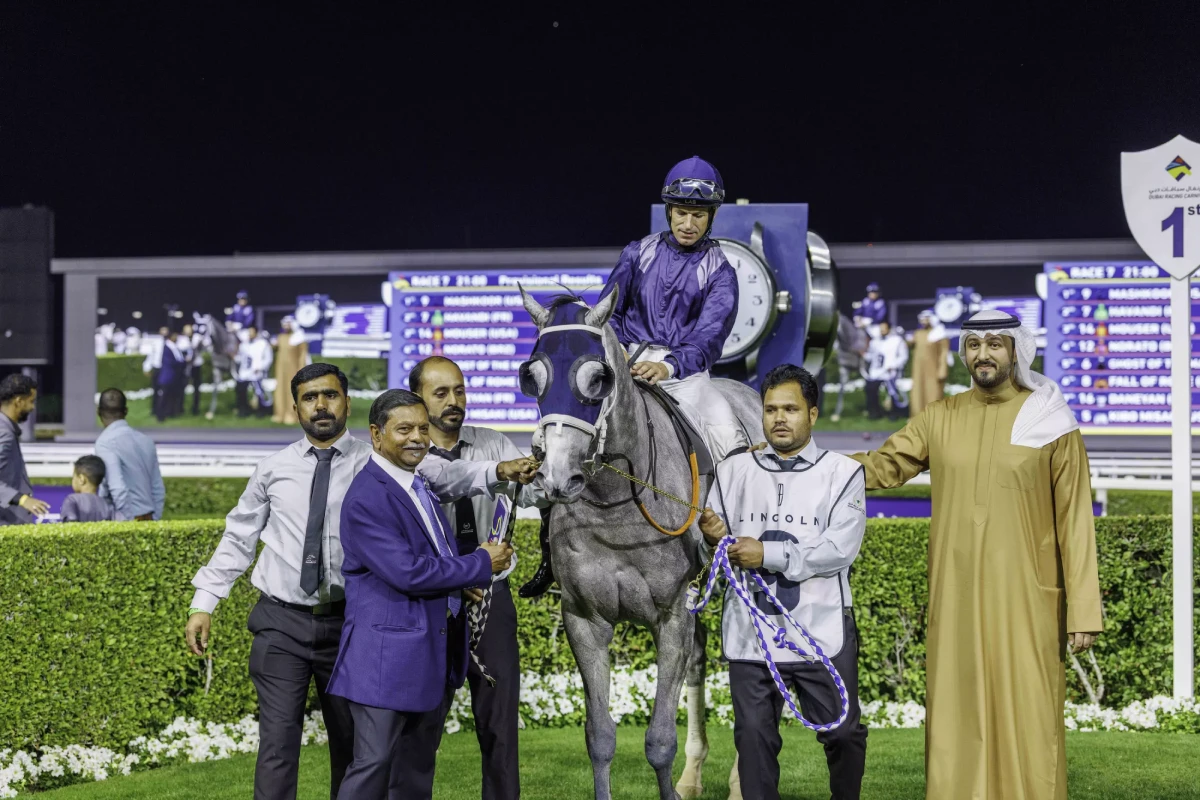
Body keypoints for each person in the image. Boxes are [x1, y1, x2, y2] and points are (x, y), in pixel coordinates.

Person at [185, 364, 536, 800]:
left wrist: (498, 470)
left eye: (330, 395)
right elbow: (239, 536)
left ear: (347, 403)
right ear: (295, 408)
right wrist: (205, 601)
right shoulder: (276, 469)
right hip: (283, 621)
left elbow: (449, 476)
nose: (321, 405)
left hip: (349, 623)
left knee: (357, 751)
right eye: (310, 398)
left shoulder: (386, 458)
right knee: (279, 747)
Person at [849, 310, 1103, 800]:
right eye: (973, 345)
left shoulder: (1051, 422)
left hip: (1028, 601)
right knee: (956, 714)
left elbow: (1075, 520)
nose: (983, 354)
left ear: (1015, 350)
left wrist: (1085, 610)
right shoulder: (939, 417)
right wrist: (805, 465)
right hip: (956, 598)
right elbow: (882, 467)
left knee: (1030, 715)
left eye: (994, 344)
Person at [330, 390, 515, 800]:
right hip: (385, 663)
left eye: (422, 428)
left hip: (428, 656)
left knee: (414, 771)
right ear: (376, 434)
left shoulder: (415, 483)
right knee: (372, 768)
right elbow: (408, 572)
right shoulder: (368, 495)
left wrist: (458, 585)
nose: (417, 438)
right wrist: (480, 563)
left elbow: (429, 558)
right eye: (404, 430)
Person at [698, 364, 868, 800]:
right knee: (753, 740)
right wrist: (713, 539)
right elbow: (714, 551)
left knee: (844, 733)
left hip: (820, 629)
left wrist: (767, 554)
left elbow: (839, 550)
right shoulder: (732, 471)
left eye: (790, 409)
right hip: (751, 635)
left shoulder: (843, 473)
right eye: (771, 409)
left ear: (812, 414)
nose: (779, 418)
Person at [411, 356, 549, 800]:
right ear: (417, 399)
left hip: (492, 599)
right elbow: (448, 481)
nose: (454, 400)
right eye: (441, 393)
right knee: (422, 723)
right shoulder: (409, 453)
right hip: (433, 602)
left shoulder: (493, 442)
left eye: (459, 390)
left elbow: (537, 493)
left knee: (500, 724)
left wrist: (547, 465)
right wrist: (500, 471)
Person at [94, 388, 166, 521]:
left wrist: (130, 521)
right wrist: (154, 519)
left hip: (126, 520)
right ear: (126, 411)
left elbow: (117, 488)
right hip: (149, 517)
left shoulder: (104, 443)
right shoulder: (146, 441)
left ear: (98, 412)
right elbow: (158, 488)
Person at [0, 374, 47, 525]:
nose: (33, 407)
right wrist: (22, 499)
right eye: (31, 401)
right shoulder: (4, 433)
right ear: (19, 401)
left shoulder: (7, 429)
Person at [862, 321, 908, 421]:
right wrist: (864, 355)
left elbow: (903, 356)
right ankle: (874, 412)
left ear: (889, 329)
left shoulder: (897, 341)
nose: (882, 330)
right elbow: (871, 356)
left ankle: (893, 413)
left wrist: (894, 365)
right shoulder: (874, 342)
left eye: (884, 328)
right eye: (881, 328)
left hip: (890, 372)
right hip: (876, 372)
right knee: (870, 389)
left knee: (892, 391)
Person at [908, 309, 949, 417]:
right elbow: (909, 345)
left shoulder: (939, 334)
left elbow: (944, 353)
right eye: (922, 319)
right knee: (918, 392)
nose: (923, 321)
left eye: (926, 318)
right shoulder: (918, 333)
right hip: (919, 370)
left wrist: (942, 369)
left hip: (933, 370)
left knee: (933, 392)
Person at [272, 317, 310, 425]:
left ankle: (291, 416)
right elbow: (274, 349)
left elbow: (302, 356)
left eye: (288, 324)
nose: (286, 326)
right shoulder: (281, 337)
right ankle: (279, 414)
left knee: (292, 392)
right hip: (281, 370)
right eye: (284, 324)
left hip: (293, 370)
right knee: (280, 390)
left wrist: (301, 370)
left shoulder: (299, 338)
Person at [61, 455, 115, 523]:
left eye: (73, 477)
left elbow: (70, 525)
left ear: (81, 479)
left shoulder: (72, 500)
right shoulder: (108, 504)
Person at [235, 326, 275, 418]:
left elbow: (268, 359)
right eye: (248, 332)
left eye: (251, 332)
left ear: (256, 333)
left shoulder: (263, 344)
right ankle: (243, 410)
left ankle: (261, 411)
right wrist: (234, 357)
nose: (249, 334)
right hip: (245, 373)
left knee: (259, 392)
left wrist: (260, 367)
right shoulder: (243, 345)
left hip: (257, 373)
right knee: (241, 390)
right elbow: (241, 358)